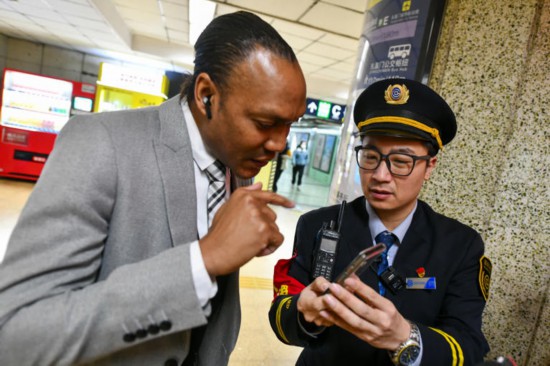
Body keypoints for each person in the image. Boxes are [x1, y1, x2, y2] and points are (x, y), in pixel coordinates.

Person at [0, 11, 306, 366]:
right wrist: (203, 260)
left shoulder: (239, 160)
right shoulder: (100, 144)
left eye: (289, 126)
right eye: (266, 123)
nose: (279, 144)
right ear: (207, 95)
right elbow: (16, 335)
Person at [269, 78, 491, 365]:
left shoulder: (460, 245)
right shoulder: (319, 225)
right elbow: (281, 319)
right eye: (371, 156)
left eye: (400, 162)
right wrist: (304, 312)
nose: (380, 175)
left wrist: (405, 336)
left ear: (429, 167)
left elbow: (469, 347)